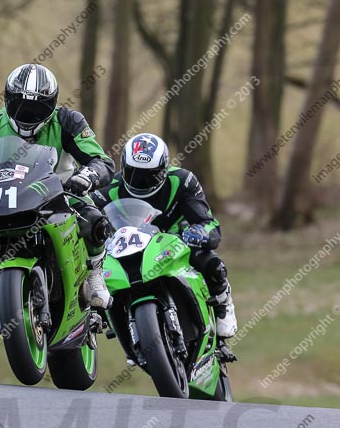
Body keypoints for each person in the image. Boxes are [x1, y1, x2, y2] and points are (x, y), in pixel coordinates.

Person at [0, 63, 114, 308]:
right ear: (8, 99)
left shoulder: (69, 121)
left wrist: (87, 176)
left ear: (52, 104)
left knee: (94, 221)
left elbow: (101, 160)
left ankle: (95, 274)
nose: (28, 114)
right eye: (22, 106)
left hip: (60, 194)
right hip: (0, 199)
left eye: (38, 108)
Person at [93, 132, 238, 338]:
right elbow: (87, 216)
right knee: (94, 281)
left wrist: (198, 234)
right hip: (130, 250)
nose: (141, 181)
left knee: (210, 262)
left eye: (149, 174)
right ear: (123, 167)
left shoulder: (183, 181)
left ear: (164, 169)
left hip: (175, 242)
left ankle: (223, 302)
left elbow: (209, 224)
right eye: (134, 173)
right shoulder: (109, 190)